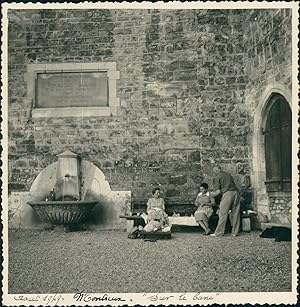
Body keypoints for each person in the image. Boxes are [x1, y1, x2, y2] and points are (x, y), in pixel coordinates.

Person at [209, 165, 240, 237]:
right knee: (235, 213)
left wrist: (211, 195)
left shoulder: (217, 177)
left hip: (227, 194)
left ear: (216, 170)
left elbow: (218, 192)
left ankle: (219, 232)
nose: (214, 173)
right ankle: (235, 232)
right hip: (236, 193)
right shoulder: (228, 175)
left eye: (214, 171)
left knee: (223, 213)